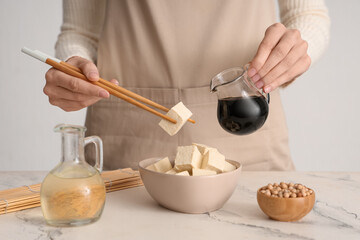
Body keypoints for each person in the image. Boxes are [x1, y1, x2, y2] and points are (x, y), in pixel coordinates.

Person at [44, 0, 330, 170]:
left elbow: (308, 15)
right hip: (128, 132)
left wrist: (293, 52)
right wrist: (75, 66)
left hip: (249, 131)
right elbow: (79, 31)